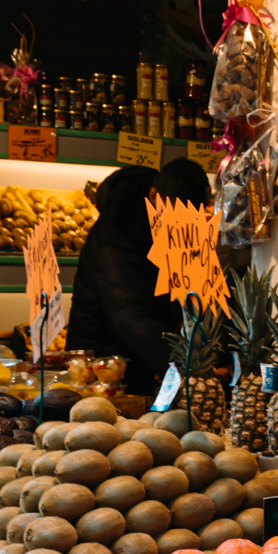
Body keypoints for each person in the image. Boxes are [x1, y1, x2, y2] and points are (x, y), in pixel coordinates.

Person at [66, 158, 212, 393]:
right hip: (101, 370)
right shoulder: (117, 234)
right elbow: (131, 315)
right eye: (175, 213)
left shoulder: (162, 224)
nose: (179, 223)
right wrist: (181, 374)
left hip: (138, 361)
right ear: (154, 195)